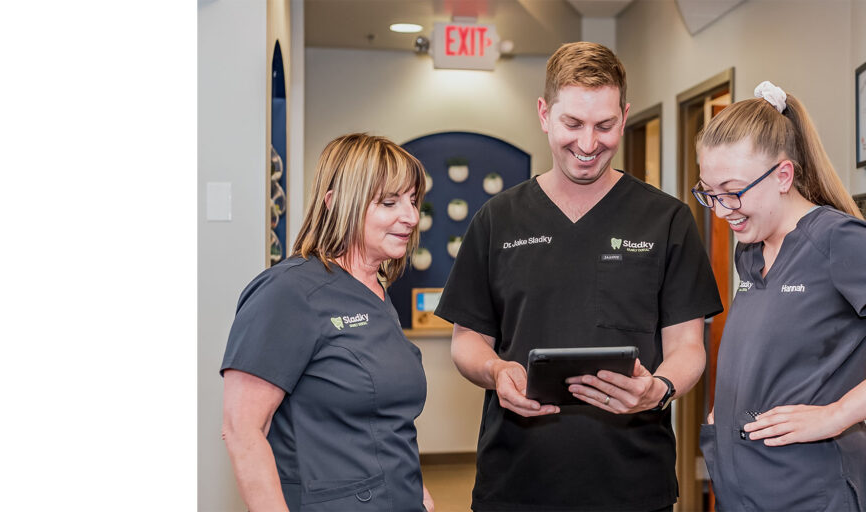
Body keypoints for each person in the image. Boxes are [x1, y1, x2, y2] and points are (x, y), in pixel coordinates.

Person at [434, 41, 723, 511]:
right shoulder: (497, 220)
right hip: (515, 484)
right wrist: (497, 370)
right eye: (573, 124)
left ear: (624, 116)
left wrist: (660, 387)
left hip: (633, 486)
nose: (588, 144)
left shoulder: (666, 221)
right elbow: (467, 341)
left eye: (604, 125)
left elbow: (688, 346)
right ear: (545, 114)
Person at [220, 133, 435, 512]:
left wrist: (420, 495)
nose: (412, 217)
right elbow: (242, 431)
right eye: (390, 202)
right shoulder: (288, 291)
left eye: (413, 201)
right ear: (336, 204)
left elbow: (385, 422)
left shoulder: (377, 292)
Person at [695, 81, 866, 511]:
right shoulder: (750, 250)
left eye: (732, 192)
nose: (720, 210)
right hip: (746, 490)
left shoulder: (838, 241)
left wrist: (838, 414)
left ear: (784, 176)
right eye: (709, 193)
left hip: (811, 491)